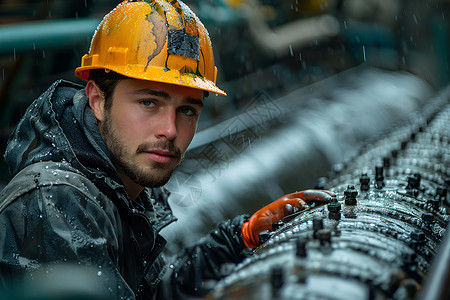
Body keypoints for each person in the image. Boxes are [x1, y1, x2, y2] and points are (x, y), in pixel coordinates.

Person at [0, 0, 334, 299]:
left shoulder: (118, 184)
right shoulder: (55, 201)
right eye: (149, 103)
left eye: (187, 110)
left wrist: (238, 240)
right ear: (98, 100)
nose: (170, 130)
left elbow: (152, 294)